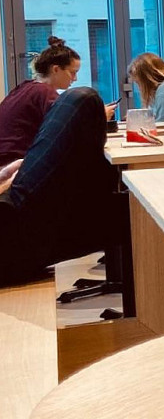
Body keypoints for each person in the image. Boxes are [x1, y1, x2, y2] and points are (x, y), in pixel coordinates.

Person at [0, 88, 128, 287]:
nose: (74, 77)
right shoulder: (36, 92)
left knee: (129, 210)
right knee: (81, 100)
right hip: (8, 231)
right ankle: (99, 191)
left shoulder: (23, 91)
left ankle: (99, 194)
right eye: (72, 73)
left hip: (11, 228)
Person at [0, 36, 115, 166]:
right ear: (55, 69)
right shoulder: (44, 93)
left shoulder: (26, 87)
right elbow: (69, 132)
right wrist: (100, 118)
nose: (75, 78)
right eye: (73, 72)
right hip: (13, 164)